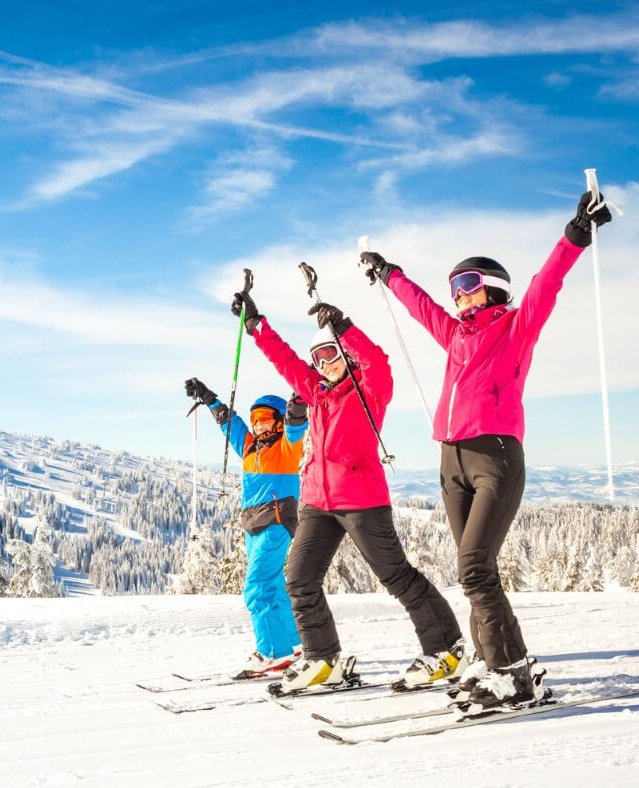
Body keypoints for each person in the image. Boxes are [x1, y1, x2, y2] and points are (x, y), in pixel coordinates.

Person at [359, 190, 614, 708]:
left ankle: (510, 673)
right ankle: (503, 664)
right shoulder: (455, 335)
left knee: (474, 567)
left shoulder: (516, 328)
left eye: (469, 285)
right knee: (474, 569)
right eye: (455, 288)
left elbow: (547, 286)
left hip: (494, 456)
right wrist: (390, 273)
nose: (459, 296)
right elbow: (420, 307)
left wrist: (573, 236)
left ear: (493, 289)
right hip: (450, 459)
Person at [229, 291, 464, 693]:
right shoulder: (316, 393)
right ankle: (323, 660)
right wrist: (257, 325)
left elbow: (378, 362)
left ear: (347, 357)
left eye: (332, 355)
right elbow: (285, 361)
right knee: (299, 579)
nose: (323, 363)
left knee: (396, 576)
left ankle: (445, 648)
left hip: (361, 501)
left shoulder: (369, 391)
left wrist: (344, 327)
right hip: (318, 502)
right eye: (318, 358)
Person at [184, 380, 306, 679]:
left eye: (265, 419)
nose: (259, 425)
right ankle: (296, 644)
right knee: (273, 585)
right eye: (256, 420)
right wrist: (210, 398)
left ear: (278, 421)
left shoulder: (287, 448)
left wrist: (297, 406)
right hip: (253, 526)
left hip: (276, 523)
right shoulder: (251, 448)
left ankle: (272, 653)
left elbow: (296, 426)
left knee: (257, 588)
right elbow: (230, 424)